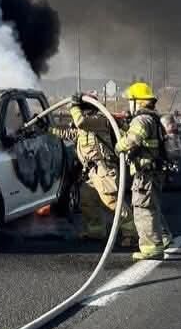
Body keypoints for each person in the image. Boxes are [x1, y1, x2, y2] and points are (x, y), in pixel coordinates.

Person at [68, 94, 138, 247]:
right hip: (91, 172)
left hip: (104, 169)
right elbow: (72, 134)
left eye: (82, 107)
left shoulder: (100, 120)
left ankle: (131, 233)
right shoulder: (87, 125)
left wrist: (73, 106)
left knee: (112, 202)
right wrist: (47, 129)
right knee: (87, 200)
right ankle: (96, 231)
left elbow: (80, 122)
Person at [115, 82, 174, 261]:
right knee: (152, 207)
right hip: (154, 171)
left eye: (130, 101)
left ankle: (151, 248)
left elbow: (132, 140)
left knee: (142, 210)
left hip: (145, 173)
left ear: (137, 102)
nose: (128, 105)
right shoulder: (153, 119)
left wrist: (119, 146)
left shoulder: (141, 120)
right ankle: (162, 238)